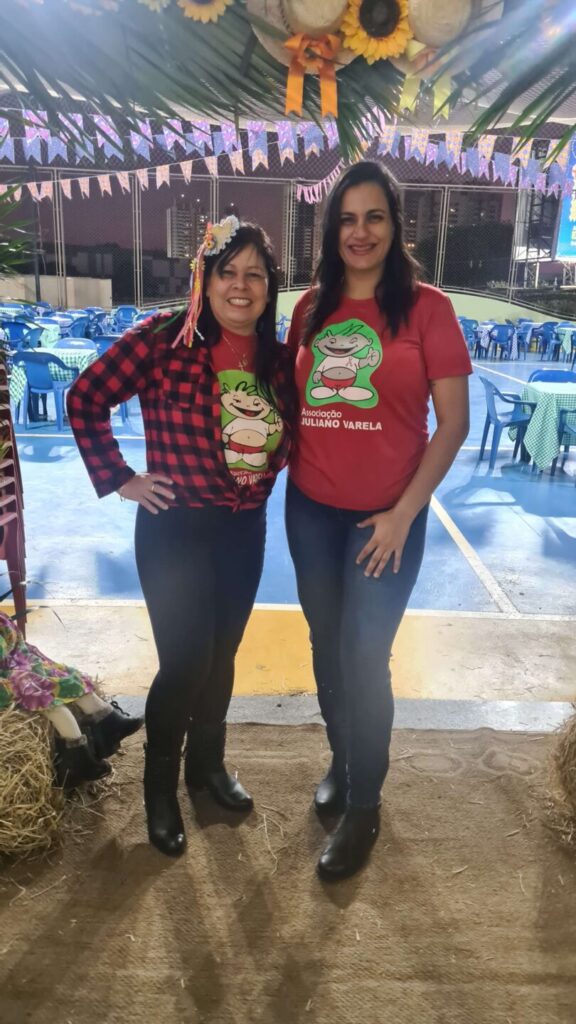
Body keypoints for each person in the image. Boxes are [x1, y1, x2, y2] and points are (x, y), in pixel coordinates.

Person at [68, 218, 296, 857]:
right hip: (174, 530)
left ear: (269, 287)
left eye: (255, 274)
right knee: (187, 661)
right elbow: (86, 397)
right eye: (229, 272)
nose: (241, 286)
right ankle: (160, 787)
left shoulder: (278, 359)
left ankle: (207, 767)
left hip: (243, 530)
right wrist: (121, 478)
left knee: (222, 656)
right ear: (206, 279)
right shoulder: (163, 338)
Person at [285, 161, 471, 881]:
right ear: (331, 229)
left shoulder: (428, 310)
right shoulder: (311, 307)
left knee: (365, 656)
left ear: (396, 226)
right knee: (326, 645)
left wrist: (401, 515)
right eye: (346, 219)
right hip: (310, 509)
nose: (359, 232)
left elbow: (452, 424)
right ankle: (342, 760)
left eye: (374, 217)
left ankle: (365, 806)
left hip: (386, 519)